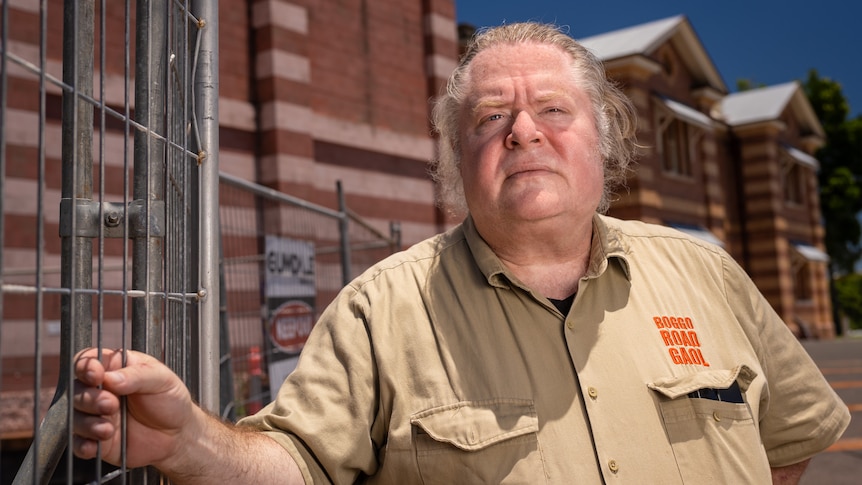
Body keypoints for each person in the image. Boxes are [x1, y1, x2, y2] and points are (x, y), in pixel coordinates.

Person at [73, 22, 850, 484]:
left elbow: (786, 444)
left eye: (553, 109)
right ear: (454, 156)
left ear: (605, 141)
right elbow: (298, 466)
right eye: (490, 116)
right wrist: (190, 442)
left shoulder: (707, 273)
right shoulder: (382, 309)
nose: (523, 131)